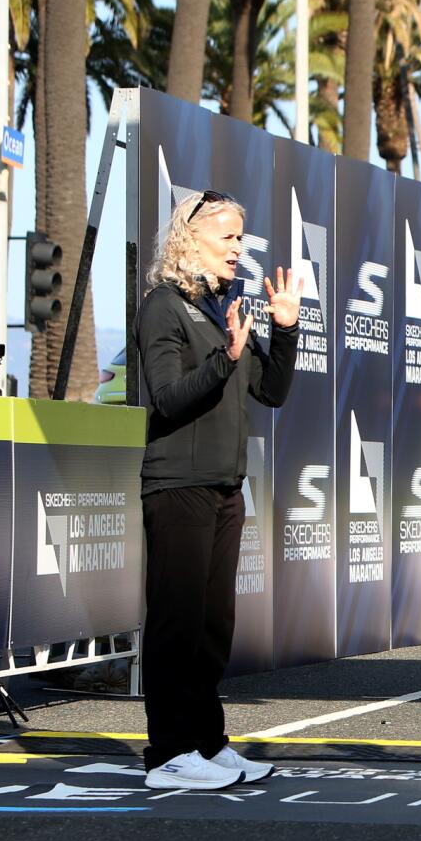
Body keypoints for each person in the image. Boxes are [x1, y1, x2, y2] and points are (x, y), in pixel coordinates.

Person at [132, 190, 302, 790]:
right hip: (177, 484)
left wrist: (285, 331)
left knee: (212, 626)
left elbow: (272, 391)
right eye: (229, 237)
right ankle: (170, 753)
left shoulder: (223, 306)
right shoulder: (163, 307)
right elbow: (167, 396)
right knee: (177, 623)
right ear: (191, 237)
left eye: (241, 238)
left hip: (225, 487)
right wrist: (224, 359)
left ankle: (207, 742)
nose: (240, 249)